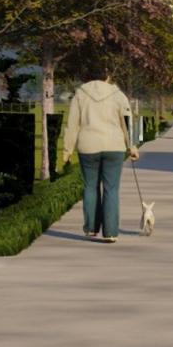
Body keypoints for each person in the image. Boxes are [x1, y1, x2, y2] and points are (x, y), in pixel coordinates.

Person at [61, 63, 140, 243]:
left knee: (90, 187)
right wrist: (132, 146)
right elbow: (127, 123)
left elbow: (72, 125)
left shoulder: (80, 94)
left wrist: (67, 151)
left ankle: (91, 228)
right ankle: (111, 232)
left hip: (87, 146)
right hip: (114, 146)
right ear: (108, 77)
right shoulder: (118, 95)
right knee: (111, 189)